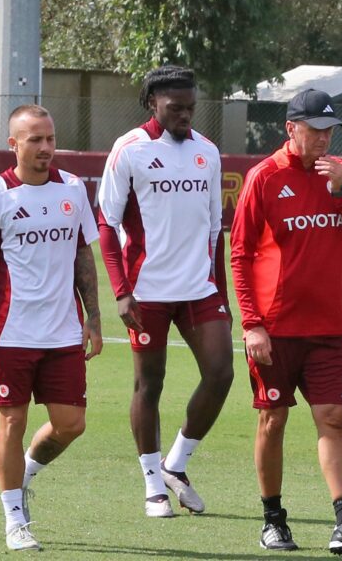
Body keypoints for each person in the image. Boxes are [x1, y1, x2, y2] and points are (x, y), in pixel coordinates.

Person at [231, 89, 342, 554]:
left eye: (329, 131)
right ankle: (273, 519)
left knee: (333, 418)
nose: (324, 139)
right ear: (291, 129)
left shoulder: (337, 177)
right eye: (315, 130)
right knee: (272, 422)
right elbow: (239, 255)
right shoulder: (263, 178)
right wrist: (252, 324)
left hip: (326, 328)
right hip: (275, 330)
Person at [0, 105, 104, 550]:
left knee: (71, 423)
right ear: (14, 144)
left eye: (50, 139)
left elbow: (83, 255)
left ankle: (24, 476)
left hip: (63, 330)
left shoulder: (74, 189)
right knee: (12, 419)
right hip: (10, 330)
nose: (45, 148)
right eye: (35, 140)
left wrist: (94, 317)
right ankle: (14, 520)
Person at [96, 65, 233, 518]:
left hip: (199, 288)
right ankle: (153, 485)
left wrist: (223, 296)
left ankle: (177, 463)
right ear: (152, 102)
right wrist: (120, 290)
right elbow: (107, 222)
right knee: (148, 385)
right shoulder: (129, 149)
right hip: (147, 292)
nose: (185, 116)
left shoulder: (208, 152)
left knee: (221, 374)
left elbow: (216, 229)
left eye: (191, 108)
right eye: (176, 108)